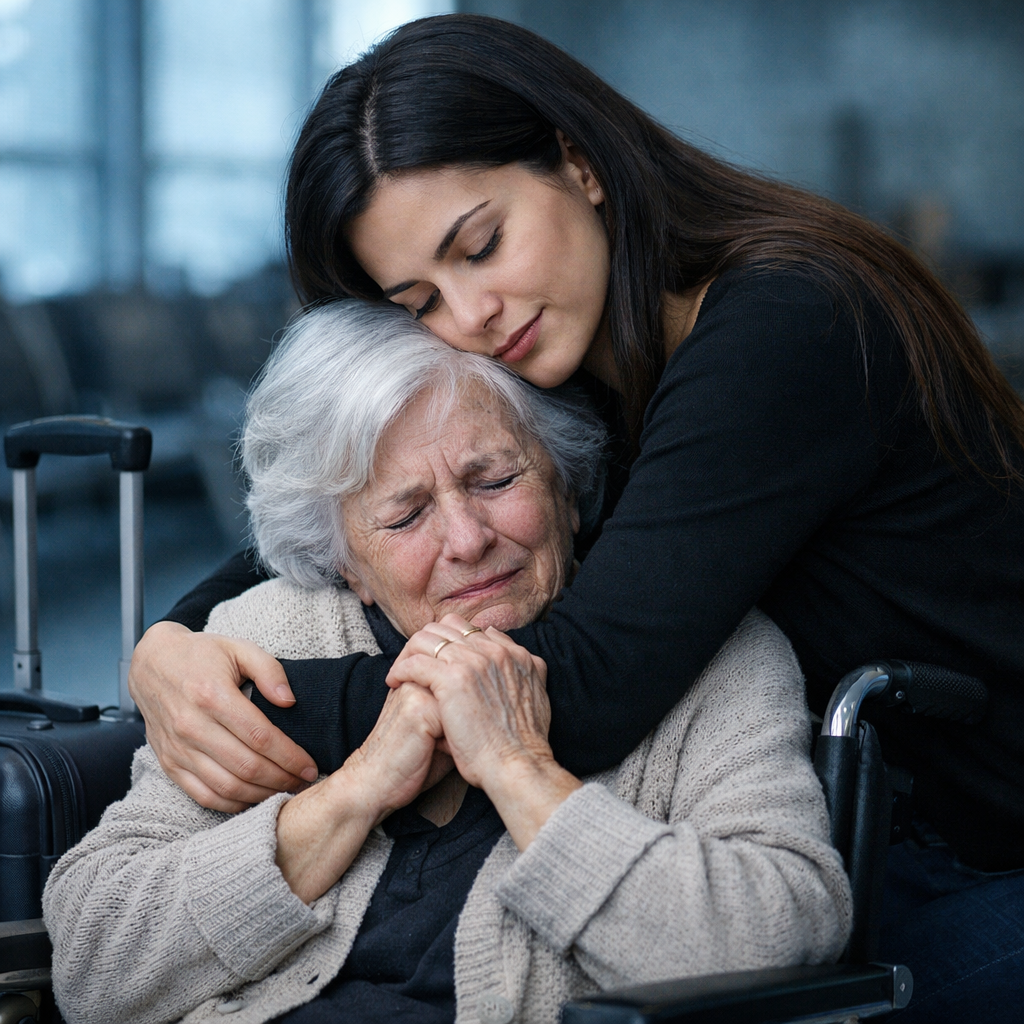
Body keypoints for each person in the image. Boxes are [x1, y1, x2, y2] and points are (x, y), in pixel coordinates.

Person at [128, 15, 1024, 1019]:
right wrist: (173, 641)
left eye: (483, 244)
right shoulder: (584, 364)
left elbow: (586, 686)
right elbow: (330, 514)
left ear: (579, 161)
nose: (470, 316)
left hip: (983, 855)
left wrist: (267, 702)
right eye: (419, 300)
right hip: (861, 815)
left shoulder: (785, 322)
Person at [43, 302, 852, 1024]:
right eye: (405, 516)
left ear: (568, 484)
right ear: (346, 561)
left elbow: (784, 935)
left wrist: (518, 767)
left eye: (495, 479)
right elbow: (93, 961)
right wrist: (354, 794)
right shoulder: (273, 638)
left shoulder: (709, 655)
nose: (467, 540)